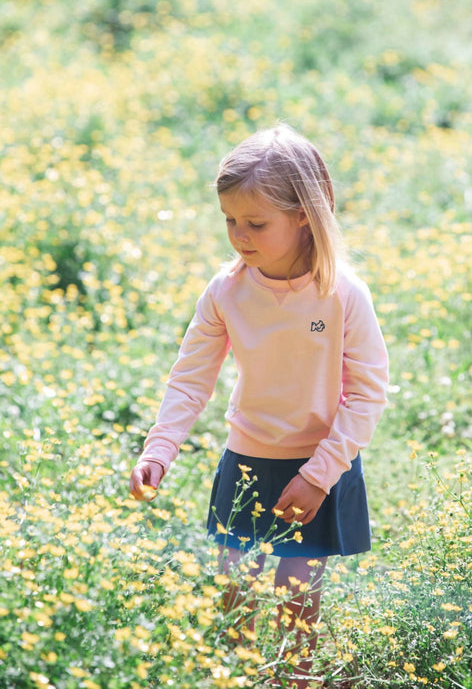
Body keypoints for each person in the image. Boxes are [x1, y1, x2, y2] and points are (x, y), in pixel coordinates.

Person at [130, 123, 389, 688]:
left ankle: (296, 681)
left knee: (297, 605)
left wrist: (320, 475)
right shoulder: (225, 291)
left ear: (303, 215)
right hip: (246, 462)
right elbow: (190, 378)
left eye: (255, 222)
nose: (238, 235)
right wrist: (160, 448)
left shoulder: (342, 294)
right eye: (228, 219)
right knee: (234, 600)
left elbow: (368, 393)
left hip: (319, 468)